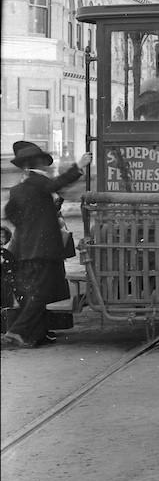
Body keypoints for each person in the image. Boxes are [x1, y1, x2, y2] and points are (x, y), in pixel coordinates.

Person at [2, 141, 92, 349]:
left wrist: (28, 228)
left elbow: (10, 213)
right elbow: (57, 184)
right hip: (43, 249)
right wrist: (79, 165)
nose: (48, 164)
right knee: (41, 292)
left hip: (28, 248)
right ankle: (17, 332)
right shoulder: (39, 182)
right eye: (44, 160)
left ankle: (35, 334)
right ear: (39, 162)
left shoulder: (19, 188)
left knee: (38, 290)